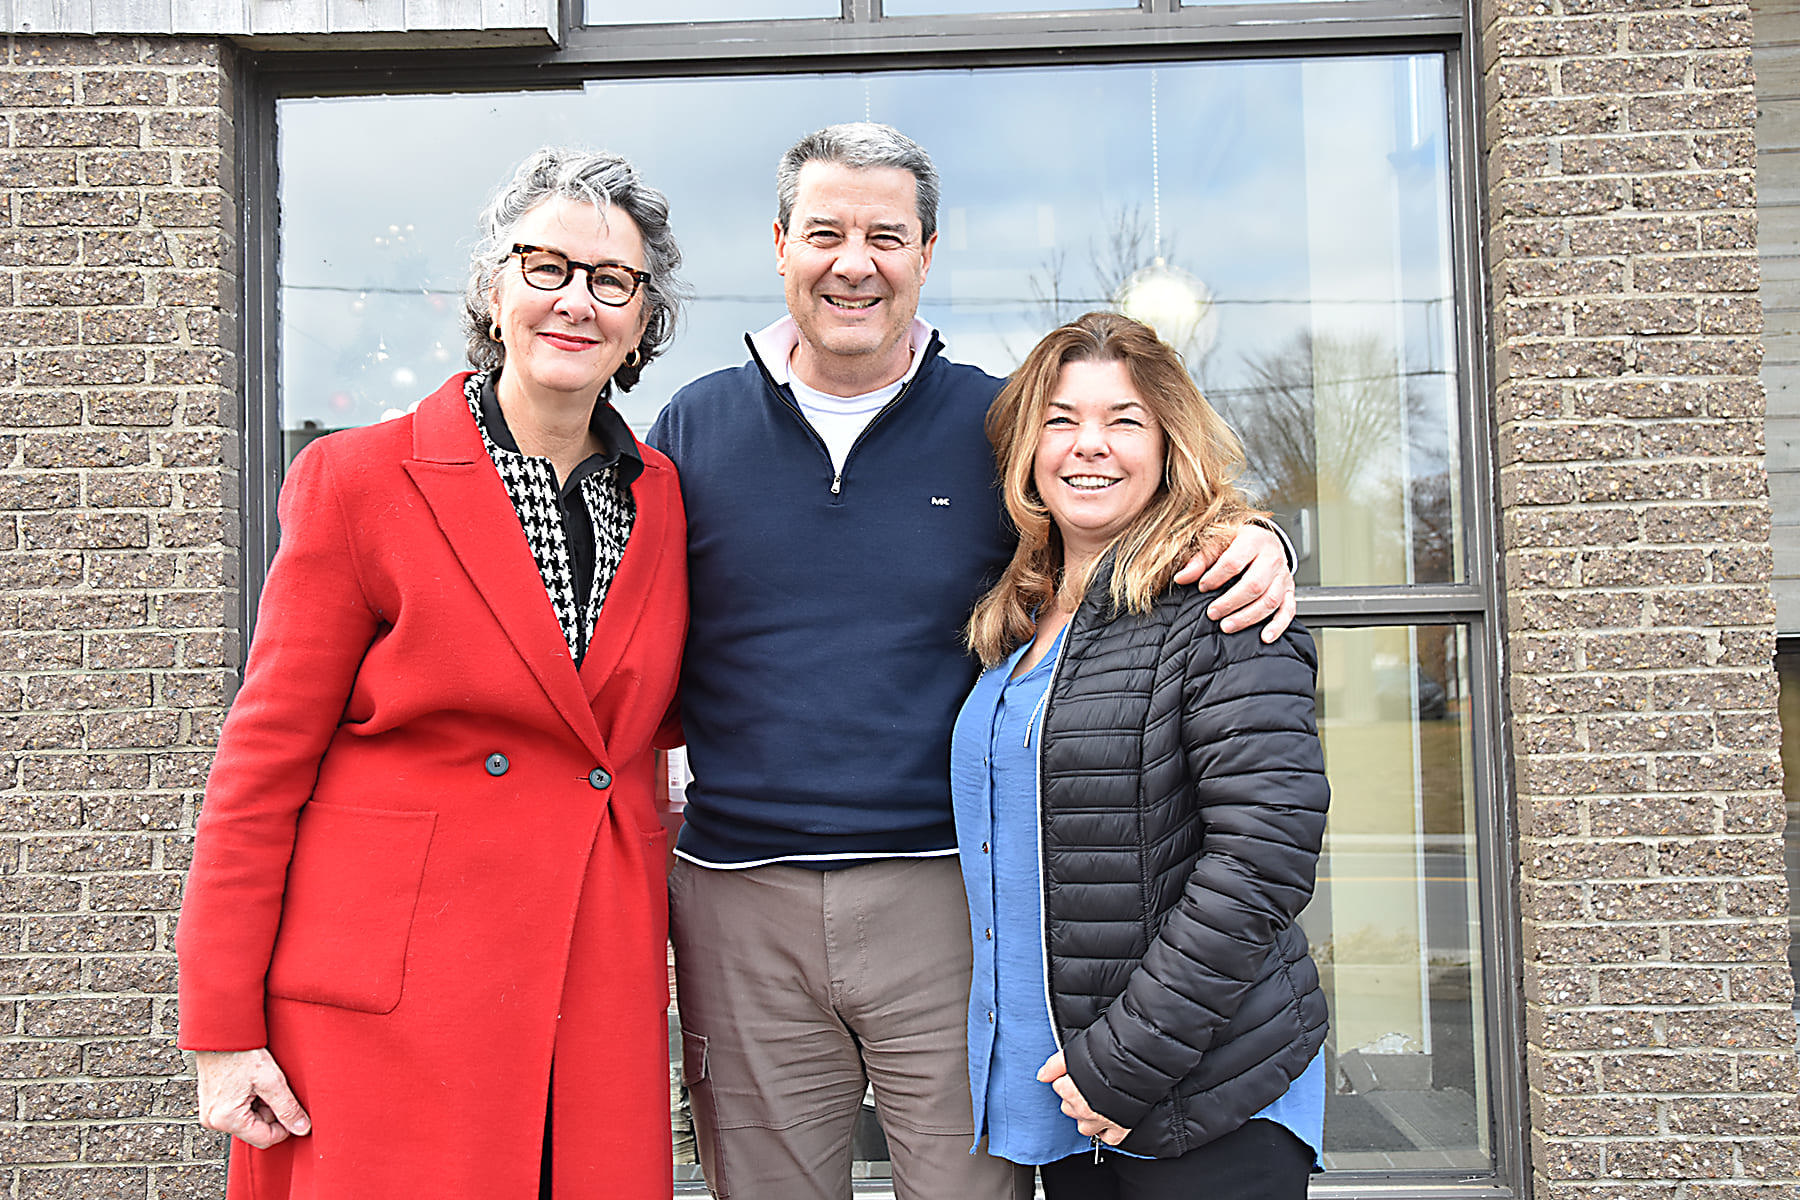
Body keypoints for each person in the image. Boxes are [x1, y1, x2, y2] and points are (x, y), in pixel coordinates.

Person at [649, 123, 1298, 1200]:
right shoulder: (694, 425)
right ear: (777, 246)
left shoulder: (996, 424)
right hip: (738, 897)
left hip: (952, 897)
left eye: (885, 236)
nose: (854, 262)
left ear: (927, 255)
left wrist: (1260, 540)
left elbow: (1125, 519)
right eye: (825, 233)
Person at [175, 148, 690, 1200]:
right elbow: (262, 762)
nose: (576, 301)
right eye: (546, 268)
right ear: (494, 292)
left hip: (590, 971)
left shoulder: (665, 499)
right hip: (397, 985)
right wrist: (221, 1030)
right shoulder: (358, 479)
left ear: (642, 320)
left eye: (613, 280)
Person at [952, 311, 1329, 1200]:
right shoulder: (1021, 623)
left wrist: (1125, 1063)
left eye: (1125, 420)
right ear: (1027, 451)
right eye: (1060, 420)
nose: (1091, 446)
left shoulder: (1219, 603)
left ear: (1169, 444)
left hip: (1202, 1093)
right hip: (1079, 1104)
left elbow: (1264, 857)